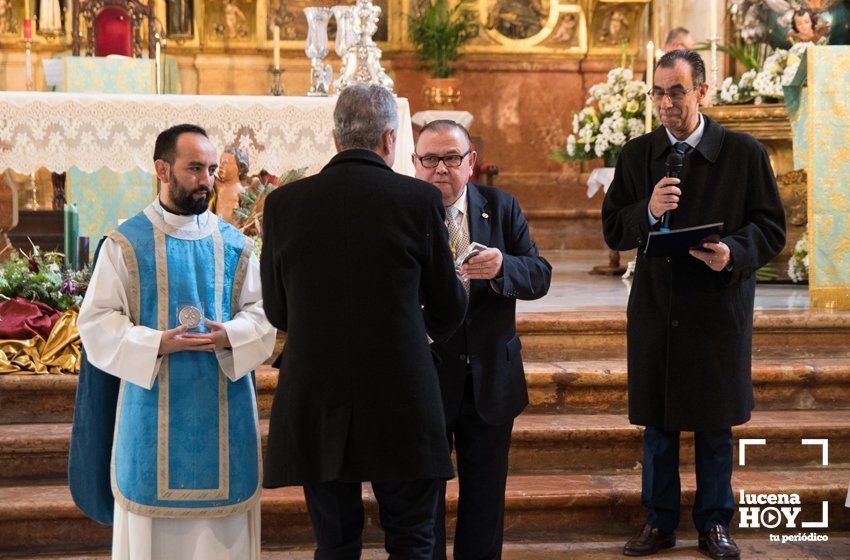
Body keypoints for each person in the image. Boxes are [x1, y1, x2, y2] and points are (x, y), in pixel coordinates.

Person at [260, 85, 467, 559]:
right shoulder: (417, 200)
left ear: (336, 138)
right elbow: (448, 309)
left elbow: (277, 311)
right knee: (413, 537)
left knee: (334, 541)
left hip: (318, 393)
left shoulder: (284, 205)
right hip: (402, 392)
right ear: (390, 139)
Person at [601, 50, 786, 559]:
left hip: (716, 309)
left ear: (702, 91)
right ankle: (658, 523)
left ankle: (714, 524)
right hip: (658, 308)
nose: (665, 104)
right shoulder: (637, 155)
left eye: (676, 92)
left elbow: (771, 228)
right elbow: (613, 227)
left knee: (713, 425)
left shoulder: (744, 153)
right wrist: (647, 209)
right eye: (658, 93)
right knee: (659, 426)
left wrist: (732, 252)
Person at [73, 123, 276, 560]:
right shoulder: (126, 244)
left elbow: (262, 315)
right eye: (194, 169)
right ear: (162, 169)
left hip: (222, 410)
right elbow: (95, 321)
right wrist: (155, 343)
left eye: (210, 170)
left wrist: (231, 335)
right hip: (150, 420)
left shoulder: (236, 245)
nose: (206, 180)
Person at [411, 120, 551, 560]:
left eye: (451, 158)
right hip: (428, 378)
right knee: (423, 499)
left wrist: (503, 266)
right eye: (430, 159)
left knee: (486, 500)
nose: (440, 170)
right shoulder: (405, 212)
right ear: (414, 164)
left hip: (490, 377)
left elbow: (540, 274)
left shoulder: (501, 207)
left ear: (470, 163)